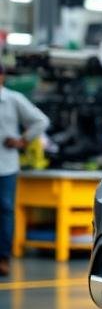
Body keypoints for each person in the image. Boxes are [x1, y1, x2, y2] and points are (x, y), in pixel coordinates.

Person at [0, 63, 50, 277]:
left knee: (5, 210)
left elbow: (41, 121)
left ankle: (3, 258)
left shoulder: (13, 99)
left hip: (5, 166)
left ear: (2, 77)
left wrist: (23, 140)